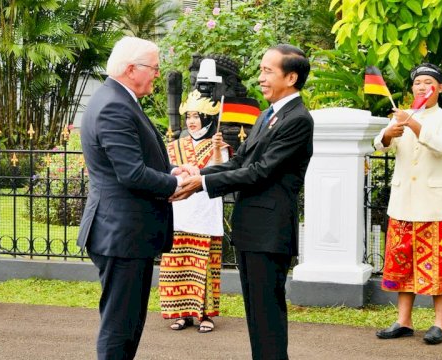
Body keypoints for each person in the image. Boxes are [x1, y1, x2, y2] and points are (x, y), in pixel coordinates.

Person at [172, 44, 314, 360]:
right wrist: (199, 178)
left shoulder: (297, 119)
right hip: (252, 231)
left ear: (290, 77)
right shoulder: (267, 115)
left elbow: (261, 172)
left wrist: (203, 182)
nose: (261, 77)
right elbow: (239, 163)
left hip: (269, 232)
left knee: (267, 316)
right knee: (256, 316)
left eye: (268, 71)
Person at [76, 36, 188, 360]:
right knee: (119, 328)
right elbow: (131, 173)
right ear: (131, 69)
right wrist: (173, 183)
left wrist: (173, 169)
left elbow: (135, 161)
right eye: (153, 67)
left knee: (127, 324)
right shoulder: (113, 105)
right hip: (121, 234)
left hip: (124, 232)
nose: (157, 73)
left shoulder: (119, 99)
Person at [373, 63, 442, 345]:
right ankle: (404, 321)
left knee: (438, 265)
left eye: (428, 82)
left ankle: (438, 324)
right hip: (402, 204)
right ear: (412, 87)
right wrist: (389, 134)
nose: (422, 87)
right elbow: (381, 144)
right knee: (402, 263)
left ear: (440, 88)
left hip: (435, 206)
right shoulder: (403, 114)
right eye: (417, 83)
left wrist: (412, 124)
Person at [159, 90, 230, 333]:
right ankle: (182, 314)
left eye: (196, 116)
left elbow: (222, 174)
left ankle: (206, 315)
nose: (191, 121)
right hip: (180, 212)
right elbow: (167, 172)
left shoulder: (219, 145)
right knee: (177, 265)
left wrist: (218, 150)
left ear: (206, 118)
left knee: (205, 265)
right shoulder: (175, 146)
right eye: (188, 116)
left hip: (205, 212)